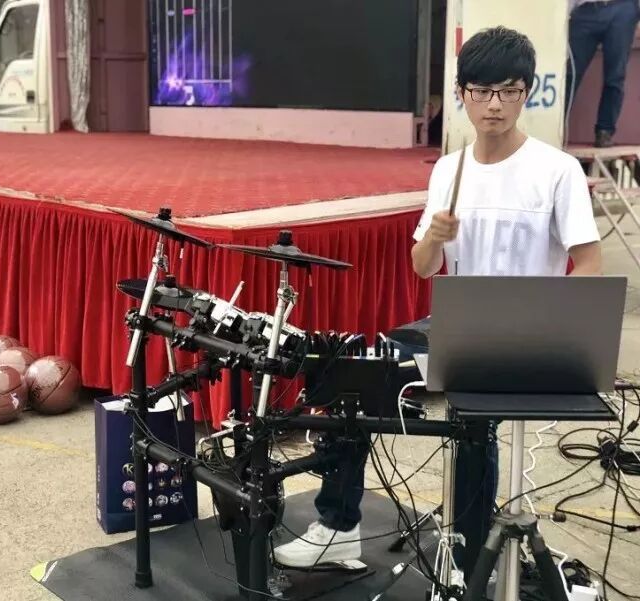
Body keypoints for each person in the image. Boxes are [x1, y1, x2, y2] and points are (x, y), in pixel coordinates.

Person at [273, 26, 602, 577]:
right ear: (462, 94)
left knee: (474, 422)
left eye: (509, 91)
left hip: (522, 332)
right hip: (456, 322)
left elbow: (589, 264)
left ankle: (469, 560)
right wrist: (434, 237)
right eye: (481, 91)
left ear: (526, 93)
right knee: (356, 377)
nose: (494, 104)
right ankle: (338, 528)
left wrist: (554, 325)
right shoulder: (451, 169)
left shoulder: (556, 170)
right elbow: (422, 266)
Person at [566, 0, 640, 148]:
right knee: (570, 73)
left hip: (622, 8)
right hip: (584, 10)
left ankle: (605, 131)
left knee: (615, 76)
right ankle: (555, 124)